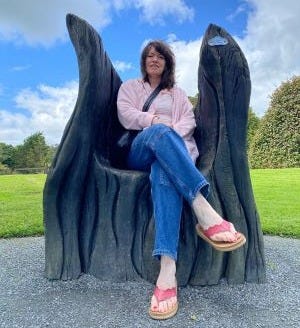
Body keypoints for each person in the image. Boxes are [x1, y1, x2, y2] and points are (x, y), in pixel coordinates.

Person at [117, 40, 246, 320]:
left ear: (167, 62)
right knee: (159, 133)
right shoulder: (130, 88)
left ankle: (167, 269)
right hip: (140, 149)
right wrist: (155, 124)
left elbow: (188, 122)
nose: (154, 59)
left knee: (163, 170)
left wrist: (170, 135)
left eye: (159, 55)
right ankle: (203, 208)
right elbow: (125, 115)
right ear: (143, 61)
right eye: (149, 55)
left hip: (172, 158)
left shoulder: (178, 93)